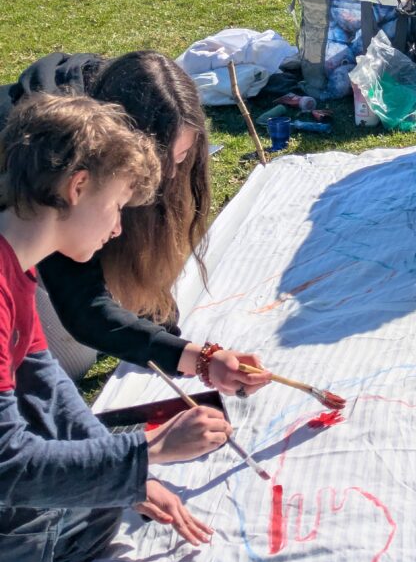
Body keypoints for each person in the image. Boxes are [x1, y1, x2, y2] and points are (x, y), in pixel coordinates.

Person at [0, 94, 233, 562]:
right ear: (78, 187)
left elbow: (47, 382)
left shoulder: (17, 266)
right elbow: (9, 468)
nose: (118, 230)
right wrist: (147, 449)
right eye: (117, 206)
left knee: (105, 499)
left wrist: (129, 474)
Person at [0, 51, 270, 397]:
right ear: (79, 185)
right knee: (70, 358)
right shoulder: (54, 174)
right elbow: (82, 309)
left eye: (181, 158)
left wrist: (193, 355)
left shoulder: (109, 124)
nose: (169, 177)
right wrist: (188, 360)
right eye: (118, 205)